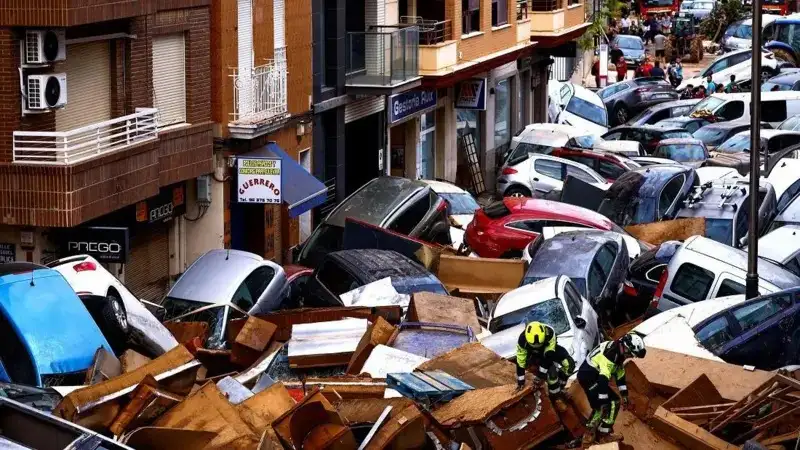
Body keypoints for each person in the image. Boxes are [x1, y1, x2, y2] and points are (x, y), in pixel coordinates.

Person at [579, 333, 647, 445]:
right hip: (589, 376)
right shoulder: (610, 355)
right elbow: (603, 379)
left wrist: (624, 395)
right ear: (626, 347)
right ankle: (601, 435)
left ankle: (591, 432)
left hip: (592, 374)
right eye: (630, 354)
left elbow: (619, 375)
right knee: (611, 403)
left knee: (600, 405)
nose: (630, 356)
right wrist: (603, 398)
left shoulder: (618, 351)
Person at [516, 321, 575, 410]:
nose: (537, 346)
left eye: (539, 344)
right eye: (534, 345)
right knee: (552, 375)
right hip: (533, 355)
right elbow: (520, 361)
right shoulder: (522, 341)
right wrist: (521, 381)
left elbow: (548, 356)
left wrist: (541, 375)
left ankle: (560, 388)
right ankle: (555, 397)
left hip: (548, 351)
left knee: (569, 365)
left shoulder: (549, 333)